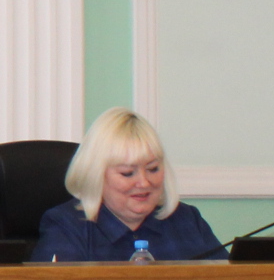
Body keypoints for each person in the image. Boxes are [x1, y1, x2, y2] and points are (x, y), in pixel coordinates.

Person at [31, 106, 220, 262]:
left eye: (153, 169)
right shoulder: (67, 226)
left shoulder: (187, 221)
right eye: (127, 173)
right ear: (96, 176)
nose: (144, 182)